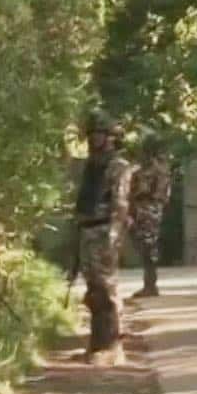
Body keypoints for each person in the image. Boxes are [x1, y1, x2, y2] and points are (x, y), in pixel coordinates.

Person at [74, 109, 133, 365]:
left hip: (104, 231)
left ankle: (112, 347)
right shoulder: (91, 165)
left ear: (110, 137)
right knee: (94, 291)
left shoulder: (117, 166)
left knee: (107, 290)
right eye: (91, 133)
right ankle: (97, 344)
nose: (93, 138)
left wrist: (114, 234)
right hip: (88, 230)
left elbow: (121, 204)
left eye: (99, 133)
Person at [128, 128, 171, 298]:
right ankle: (149, 284)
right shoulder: (158, 165)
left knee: (148, 245)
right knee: (146, 245)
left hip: (149, 208)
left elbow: (144, 189)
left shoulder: (153, 167)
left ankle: (150, 285)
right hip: (148, 207)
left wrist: (133, 191)